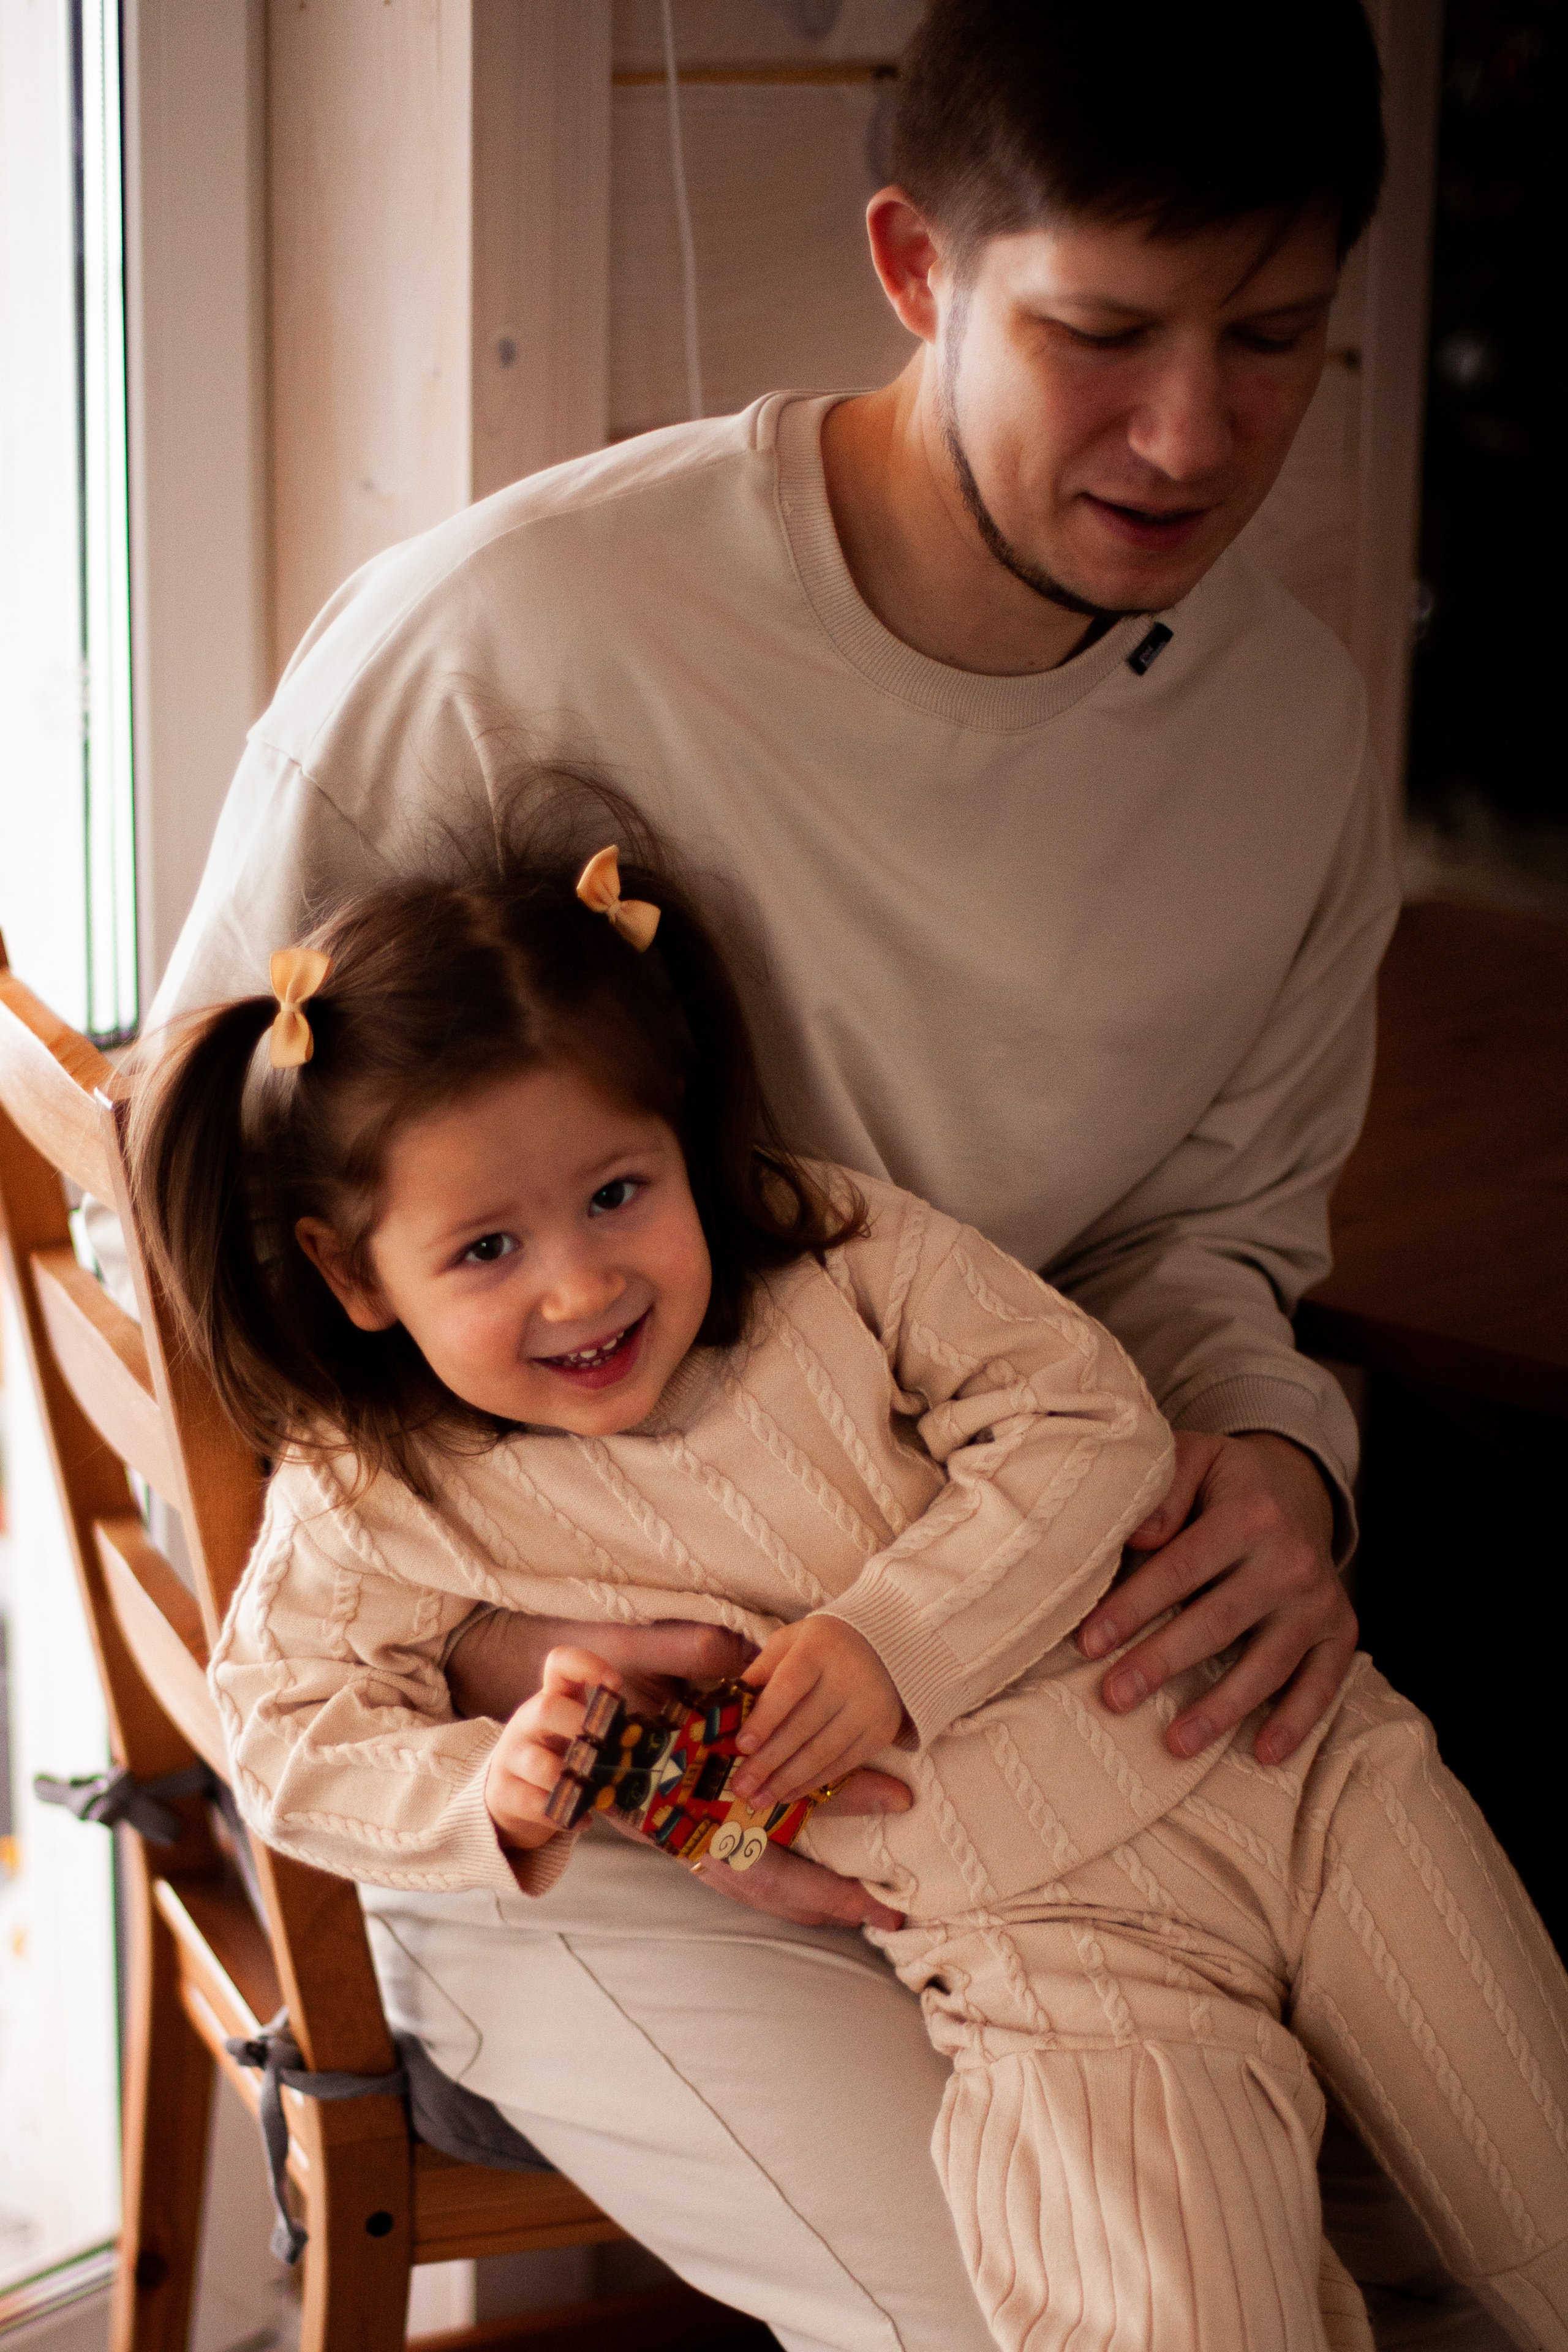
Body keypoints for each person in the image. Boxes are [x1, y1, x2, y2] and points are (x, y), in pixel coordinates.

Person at [121, 2, 1476, 2340]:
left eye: (1274, 339)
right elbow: (216, 1272)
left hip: (1017, 1619)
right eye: (1101, 333)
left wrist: (1275, 1457)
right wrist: (535, 1667)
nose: (1192, 431)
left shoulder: (1287, 733)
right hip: (544, 1758)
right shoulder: (501, 645)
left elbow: (1215, 1231)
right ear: (916, 268)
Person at [130, 824, 1568, 2352]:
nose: (580, 1284)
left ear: (679, 1138)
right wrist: (500, 1787)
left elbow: (1084, 1419)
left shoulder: (833, 1258)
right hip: (1058, 1960)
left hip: (1309, 1771)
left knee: (1539, 2208)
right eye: (485, 1247)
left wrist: (892, 1643)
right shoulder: (379, 1493)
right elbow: (284, 1731)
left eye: (617, 1192)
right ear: (354, 1278)